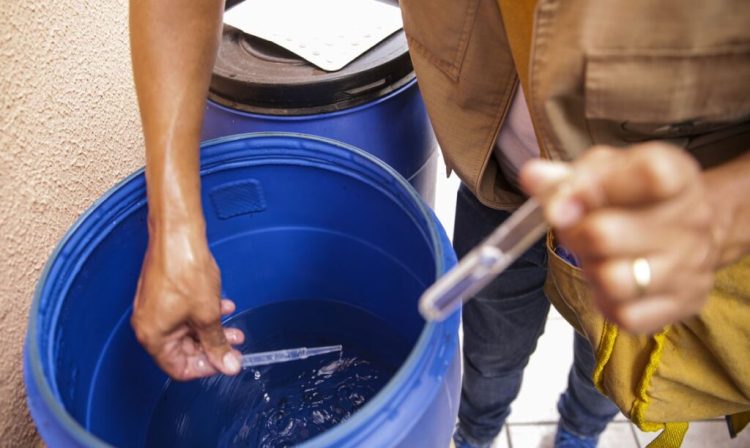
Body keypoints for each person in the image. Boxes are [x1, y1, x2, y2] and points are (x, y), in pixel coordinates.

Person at [129, 0, 750, 447]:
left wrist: (720, 206)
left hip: (657, 207)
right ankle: (477, 433)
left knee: (607, 355)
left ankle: (579, 433)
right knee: (490, 347)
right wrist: (174, 229)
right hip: (499, 180)